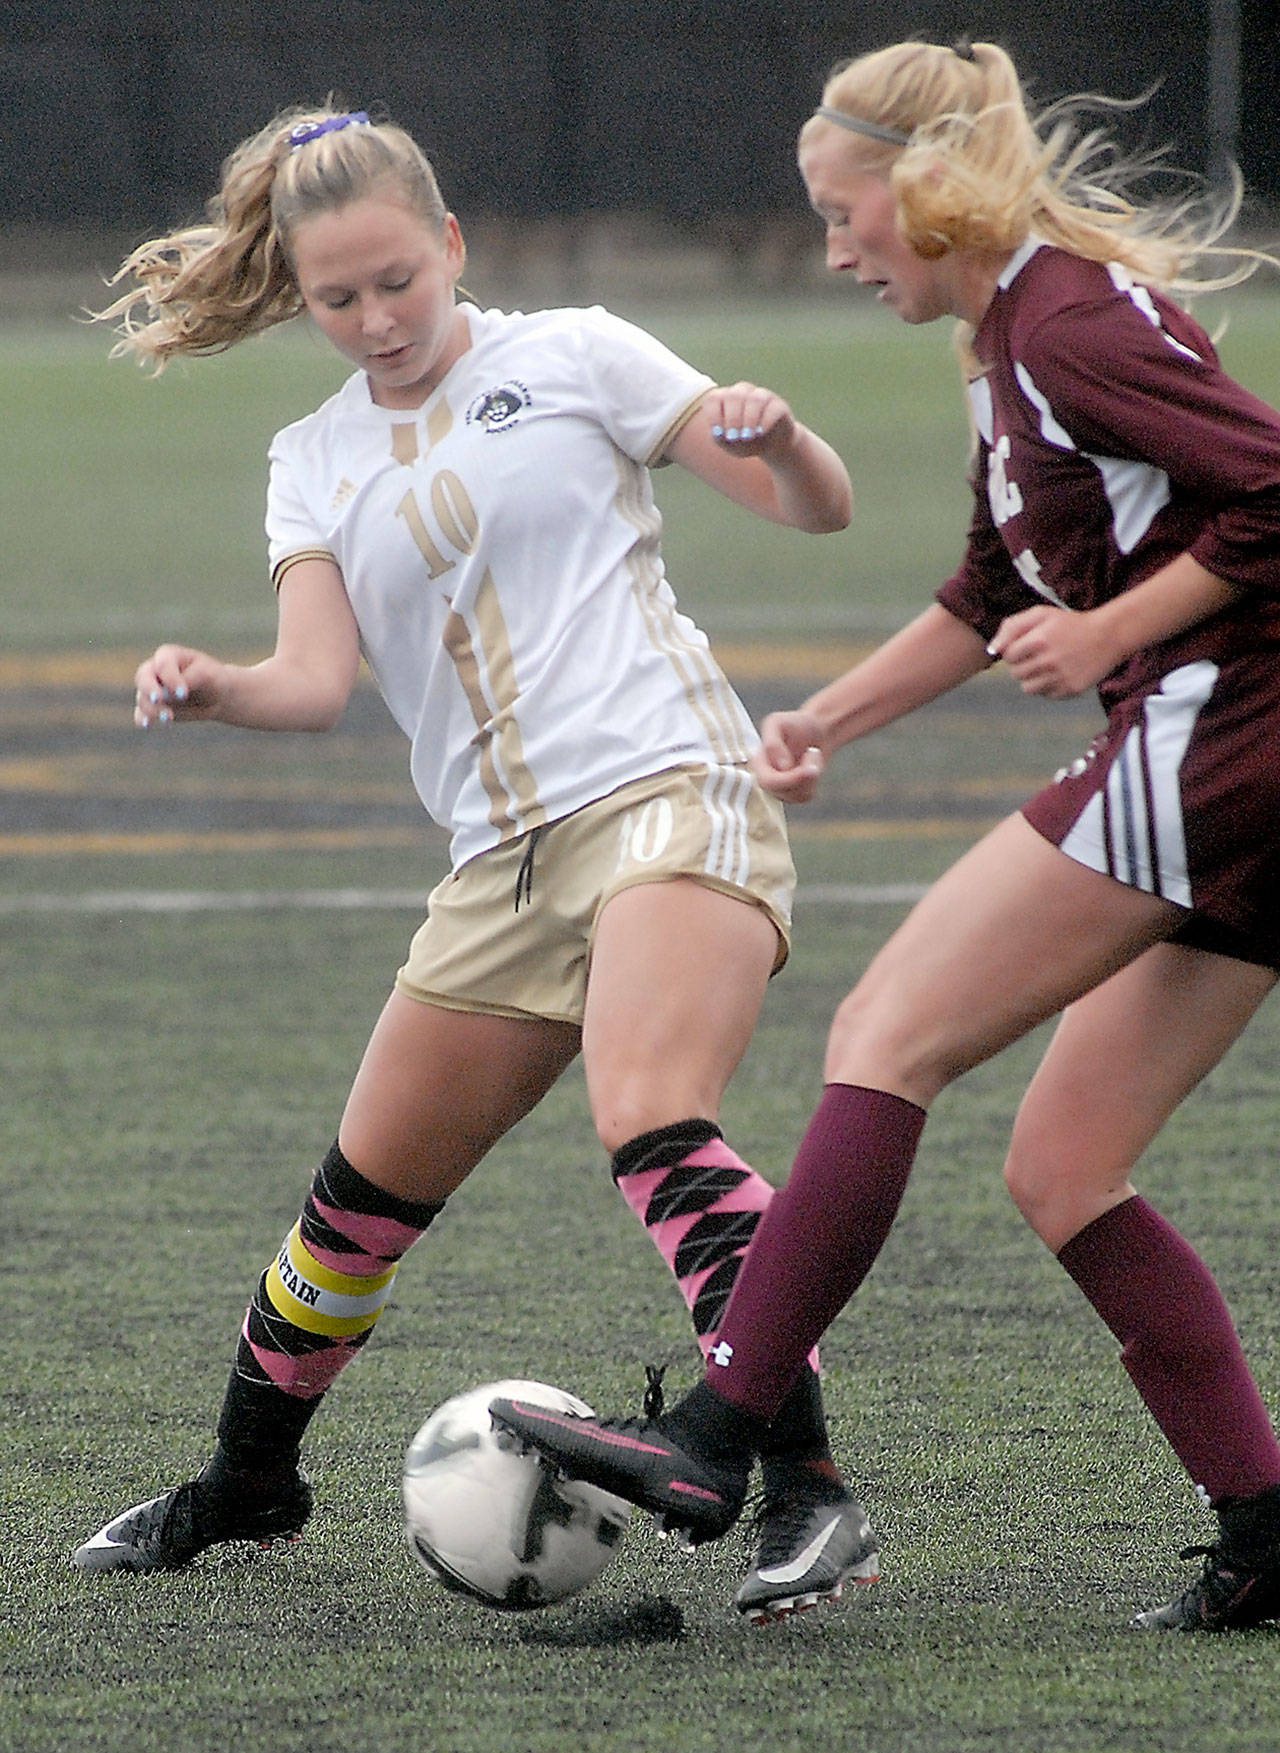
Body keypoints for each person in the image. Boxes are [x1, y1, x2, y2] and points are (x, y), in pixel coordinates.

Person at [491, 39, 1280, 1634]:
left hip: (1227, 729)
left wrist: (1121, 621)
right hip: (1226, 747)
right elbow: (990, 593)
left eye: (842, 212)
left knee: (886, 1031)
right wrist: (819, 724)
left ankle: (718, 1433)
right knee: (1065, 1167)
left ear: (924, 191)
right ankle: (1267, 1529)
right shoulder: (1008, 336)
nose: (836, 246)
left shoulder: (1058, 319)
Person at [69, 103, 878, 1623]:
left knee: (650, 1116)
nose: (375, 320)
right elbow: (312, 679)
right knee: (351, 1210)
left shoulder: (577, 350)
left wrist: (795, 445)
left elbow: (813, 507)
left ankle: (811, 1493)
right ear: (300, 296)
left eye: (397, 281)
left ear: (452, 245)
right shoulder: (308, 457)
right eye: (336, 299)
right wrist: (213, 683)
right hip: (498, 868)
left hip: (668, 797)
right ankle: (250, 1485)